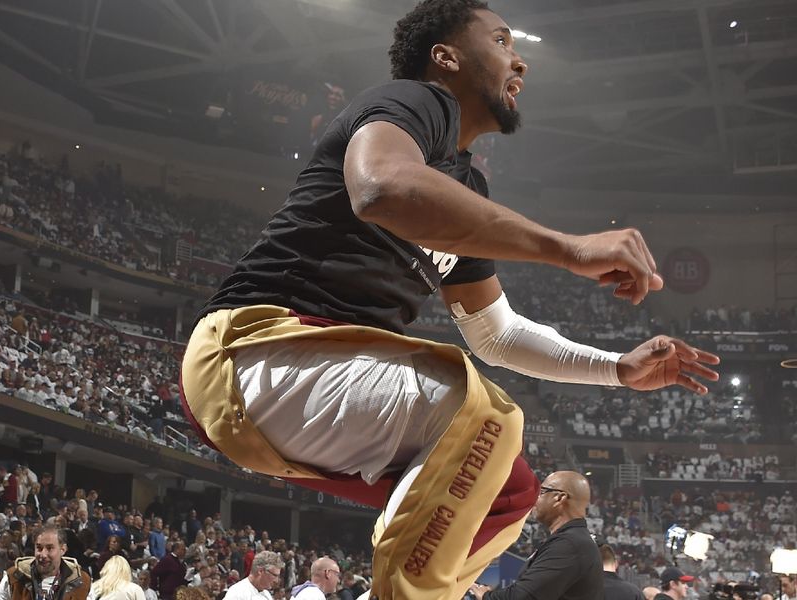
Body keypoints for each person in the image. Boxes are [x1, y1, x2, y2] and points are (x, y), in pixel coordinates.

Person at [180, 1, 720, 598]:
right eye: (501, 40)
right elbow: (381, 187)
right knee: (484, 412)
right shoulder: (416, 102)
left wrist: (615, 369)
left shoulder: (464, 189)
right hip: (253, 351)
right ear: (446, 56)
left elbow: (497, 335)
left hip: (301, 387)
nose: (521, 61)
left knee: (509, 494)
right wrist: (567, 248)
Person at [468, 471, 602, 600]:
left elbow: (523, 597)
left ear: (559, 498)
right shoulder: (573, 540)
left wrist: (486, 596)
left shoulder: (570, 544)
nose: (535, 498)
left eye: (541, 492)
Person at [0, 524, 91, 600]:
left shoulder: (82, 582)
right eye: (39, 548)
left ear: (62, 549)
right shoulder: (14, 577)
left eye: (50, 548)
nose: (43, 555)